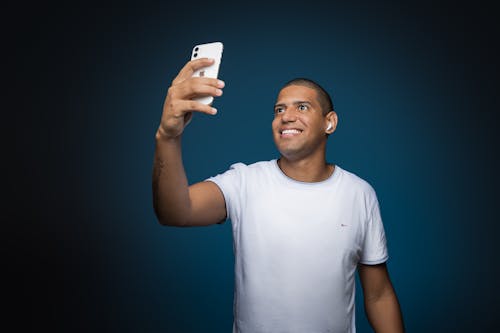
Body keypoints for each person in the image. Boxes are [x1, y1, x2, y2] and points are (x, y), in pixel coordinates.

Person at [152, 57, 405, 333]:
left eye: (302, 107)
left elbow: (378, 294)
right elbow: (175, 211)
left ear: (329, 122)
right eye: (279, 109)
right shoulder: (244, 182)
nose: (286, 116)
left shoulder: (359, 194)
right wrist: (168, 136)